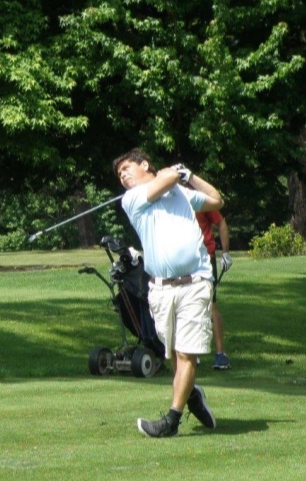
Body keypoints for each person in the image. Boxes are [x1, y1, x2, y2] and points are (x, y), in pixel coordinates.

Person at [113, 148, 223, 438]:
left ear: (144, 164)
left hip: (195, 282)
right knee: (175, 354)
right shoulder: (133, 199)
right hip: (161, 289)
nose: (123, 177)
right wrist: (174, 173)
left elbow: (216, 200)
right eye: (119, 175)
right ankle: (191, 395)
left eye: (126, 169)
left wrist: (191, 176)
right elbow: (166, 180)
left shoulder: (181, 194)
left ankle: (171, 421)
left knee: (186, 354)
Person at [195, 209, 233, 370]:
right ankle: (191, 352)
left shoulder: (201, 198)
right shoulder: (171, 196)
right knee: (186, 305)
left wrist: (225, 253)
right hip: (183, 260)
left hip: (205, 258)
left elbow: (221, 223)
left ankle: (220, 354)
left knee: (211, 304)